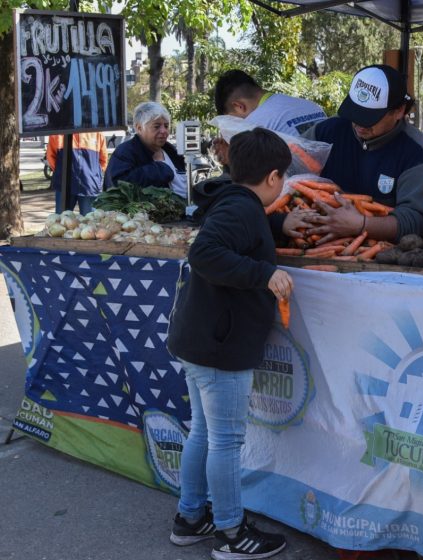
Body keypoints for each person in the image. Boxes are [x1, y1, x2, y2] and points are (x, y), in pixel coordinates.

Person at [166, 128, 314, 560]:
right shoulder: (240, 209)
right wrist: (263, 274)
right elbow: (205, 252)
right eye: (284, 178)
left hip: (200, 340)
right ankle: (231, 533)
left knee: (205, 434)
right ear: (272, 177)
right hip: (219, 348)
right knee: (226, 440)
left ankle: (190, 517)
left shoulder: (238, 202)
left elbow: (238, 228)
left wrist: (278, 222)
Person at [302, 64, 423, 243]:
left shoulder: (418, 156)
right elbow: (290, 165)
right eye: (355, 113)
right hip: (319, 245)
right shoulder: (325, 132)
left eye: (369, 117)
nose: (359, 124)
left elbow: (416, 222)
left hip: (387, 259)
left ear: (399, 111)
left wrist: (361, 225)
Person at [212, 70, 326, 167]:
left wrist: (230, 157)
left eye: (231, 119)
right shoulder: (311, 105)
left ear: (239, 106)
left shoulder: (254, 126)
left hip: (304, 188)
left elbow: (254, 181)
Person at [104, 102, 187, 197]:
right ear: (139, 128)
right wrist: (157, 170)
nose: (164, 131)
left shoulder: (172, 152)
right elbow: (117, 186)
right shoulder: (125, 153)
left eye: (166, 126)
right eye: (157, 126)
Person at [46, 132, 107, 215]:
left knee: (90, 223)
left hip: (89, 186)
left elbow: (103, 160)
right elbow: (51, 157)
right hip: (64, 186)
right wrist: (61, 172)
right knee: (62, 223)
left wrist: (95, 174)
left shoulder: (96, 133)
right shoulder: (58, 133)